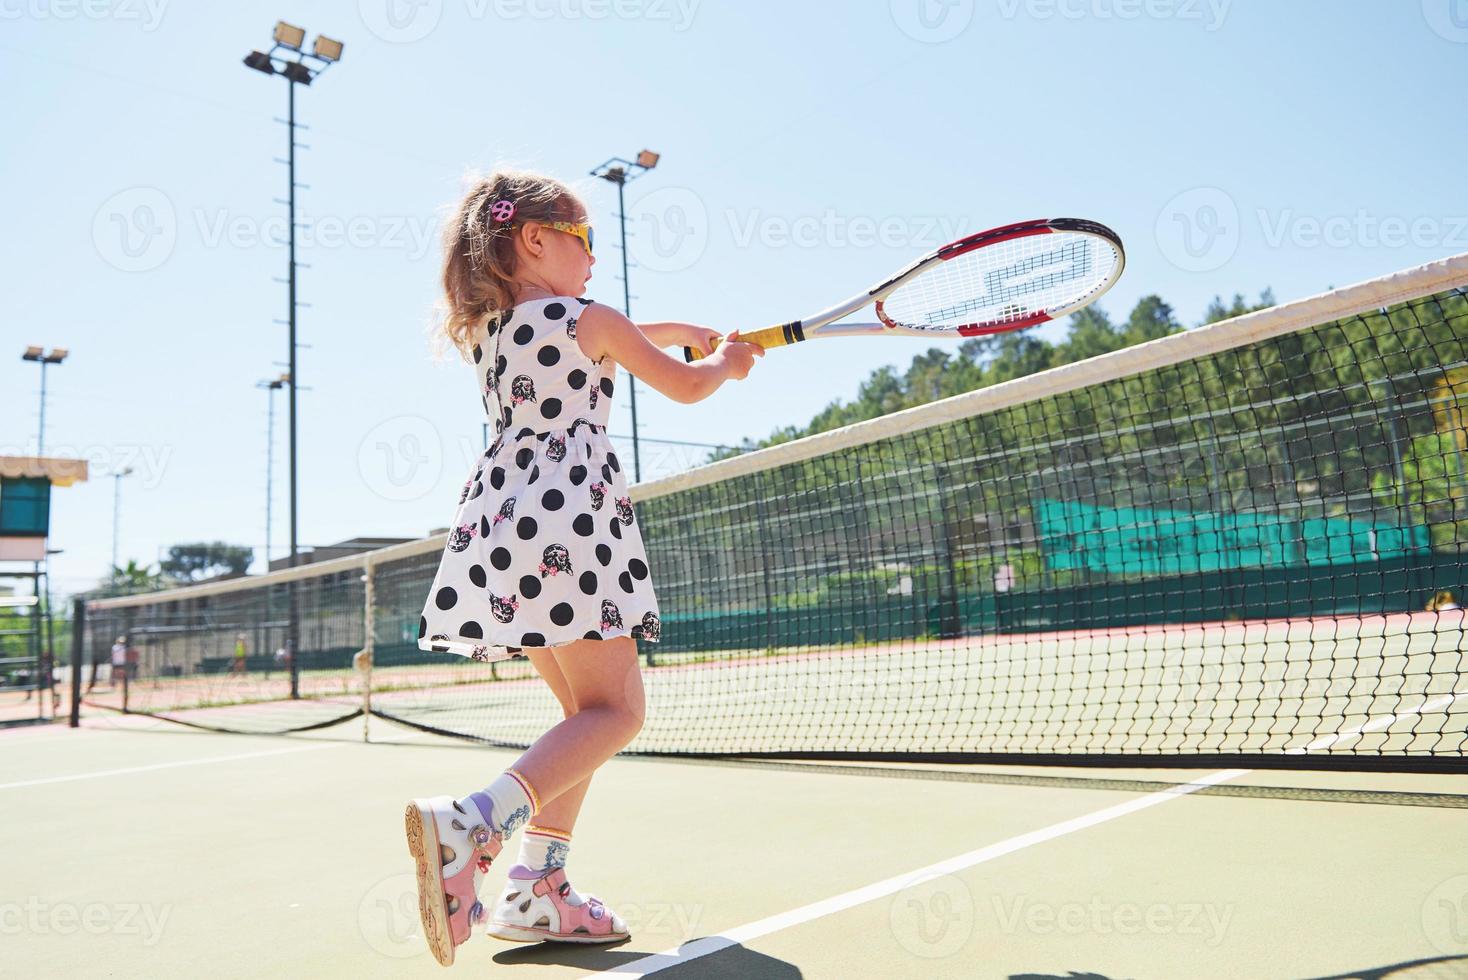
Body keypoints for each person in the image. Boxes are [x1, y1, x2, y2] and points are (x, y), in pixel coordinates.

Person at [405, 169, 761, 963]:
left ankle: (538, 888)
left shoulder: (495, 333)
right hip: (574, 523)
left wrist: (676, 329)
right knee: (618, 715)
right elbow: (684, 386)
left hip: (506, 534)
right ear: (534, 238)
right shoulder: (592, 319)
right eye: (585, 240)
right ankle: (472, 823)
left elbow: (608, 332)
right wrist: (725, 365)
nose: (595, 259)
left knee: (585, 721)